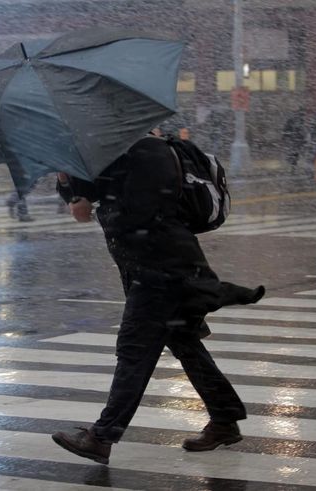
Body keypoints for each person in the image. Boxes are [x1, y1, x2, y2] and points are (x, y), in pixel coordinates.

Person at [51, 134, 265, 465]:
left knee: (134, 351)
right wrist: (68, 182)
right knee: (186, 345)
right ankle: (225, 420)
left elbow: (143, 212)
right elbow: (91, 194)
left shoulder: (152, 151)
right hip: (149, 267)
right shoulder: (117, 150)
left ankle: (102, 436)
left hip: (164, 268)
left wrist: (96, 208)